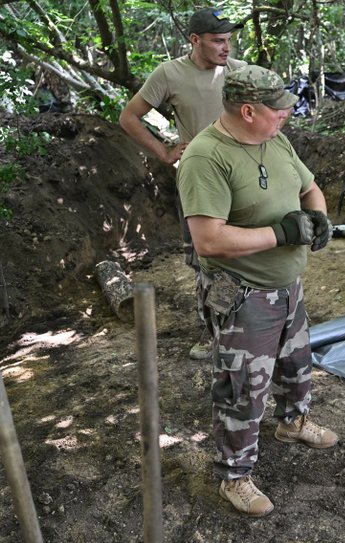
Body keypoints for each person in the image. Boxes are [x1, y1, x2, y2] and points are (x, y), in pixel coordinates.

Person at [177, 65, 338, 517]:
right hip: (244, 295)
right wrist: (282, 234)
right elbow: (209, 240)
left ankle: (293, 422)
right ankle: (235, 477)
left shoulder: (274, 137)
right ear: (247, 110)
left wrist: (317, 216)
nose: (287, 114)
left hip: (288, 286)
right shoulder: (205, 158)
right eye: (278, 108)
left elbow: (310, 188)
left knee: (296, 362)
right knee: (242, 387)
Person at [119, 6, 246, 360]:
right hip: (198, 183)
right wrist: (163, 151)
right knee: (204, 259)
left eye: (229, 40)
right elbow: (129, 117)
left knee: (243, 254)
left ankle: (239, 326)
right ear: (195, 40)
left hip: (241, 181)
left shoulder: (238, 73)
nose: (226, 48)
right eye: (218, 40)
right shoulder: (169, 74)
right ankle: (212, 331)